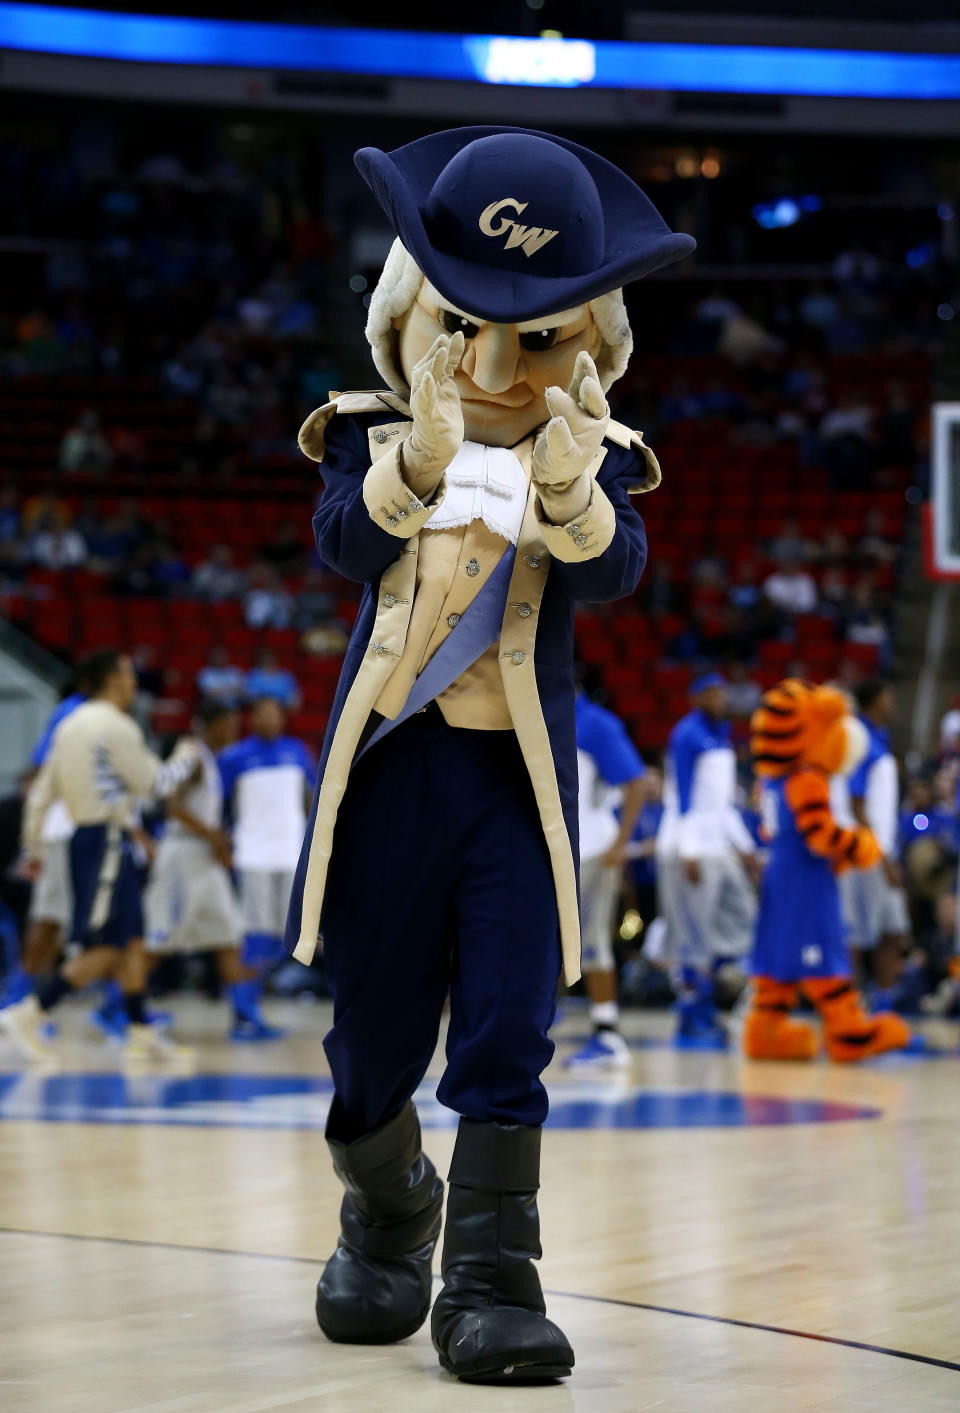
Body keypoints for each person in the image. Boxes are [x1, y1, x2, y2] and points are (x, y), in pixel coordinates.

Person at [282, 126, 693, 1382]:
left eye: (543, 333)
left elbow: (617, 570)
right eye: (467, 321)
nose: (500, 361)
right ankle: (392, 1198)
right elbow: (345, 548)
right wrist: (415, 461)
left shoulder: (590, 464)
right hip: (392, 775)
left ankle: (490, 1276)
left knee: (511, 1021)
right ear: (413, 316)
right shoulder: (371, 436)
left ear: (595, 349)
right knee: (368, 1039)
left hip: (515, 784)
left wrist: (571, 495)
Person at [3, 650, 198, 1062]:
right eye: (128, 674)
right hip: (107, 840)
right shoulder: (115, 725)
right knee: (108, 945)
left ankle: (141, 1029)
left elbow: (42, 791)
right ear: (111, 679)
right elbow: (155, 784)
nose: (133, 682)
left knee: (129, 941)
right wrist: (185, 756)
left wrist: (33, 846)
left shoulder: (68, 724)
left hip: (88, 839)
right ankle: (29, 1012)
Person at [743, 680, 912, 1062]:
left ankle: (765, 1031)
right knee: (827, 954)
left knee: (776, 960)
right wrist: (862, 847)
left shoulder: (770, 778)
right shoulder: (806, 779)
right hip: (807, 877)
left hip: (779, 871)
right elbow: (820, 835)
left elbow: (770, 828)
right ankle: (848, 1034)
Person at [143, 701, 273, 1039]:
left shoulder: (211, 759)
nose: (233, 731)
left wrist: (216, 841)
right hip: (182, 856)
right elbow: (173, 807)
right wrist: (215, 837)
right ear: (211, 724)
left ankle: (245, 1016)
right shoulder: (193, 753)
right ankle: (116, 1006)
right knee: (161, 938)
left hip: (203, 859)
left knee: (230, 934)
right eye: (228, 723)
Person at [656, 674, 758, 1045]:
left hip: (719, 847)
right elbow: (681, 799)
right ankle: (692, 1008)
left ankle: (721, 994)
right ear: (696, 697)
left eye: (722, 692)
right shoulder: (686, 735)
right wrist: (689, 850)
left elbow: (723, 804)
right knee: (692, 932)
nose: (720, 698)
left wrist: (745, 848)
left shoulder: (723, 734)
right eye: (712, 693)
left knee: (743, 917)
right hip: (690, 848)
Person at [219, 698, 315, 1032]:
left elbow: (310, 797)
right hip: (253, 856)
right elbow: (219, 805)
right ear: (252, 718)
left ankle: (249, 1004)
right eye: (264, 714)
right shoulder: (234, 757)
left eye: (276, 713)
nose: (271, 719)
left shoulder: (298, 752)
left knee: (282, 937)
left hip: (289, 853)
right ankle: (243, 1010)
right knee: (256, 935)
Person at [564, 688, 646, 1071]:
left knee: (592, 943)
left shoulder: (596, 723)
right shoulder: (546, 712)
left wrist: (621, 843)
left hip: (593, 850)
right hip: (561, 851)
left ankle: (607, 1033)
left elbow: (637, 783)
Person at [839, 680, 910, 1001]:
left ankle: (885, 1004)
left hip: (883, 848)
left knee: (892, 931)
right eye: (888, 694)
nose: (891, 701)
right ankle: (851, 1007)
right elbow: (856, 804)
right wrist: (883, 857)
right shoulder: (858, 737)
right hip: (865, 853)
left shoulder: (879, 737)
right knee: (855, 935)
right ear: (876, 699)